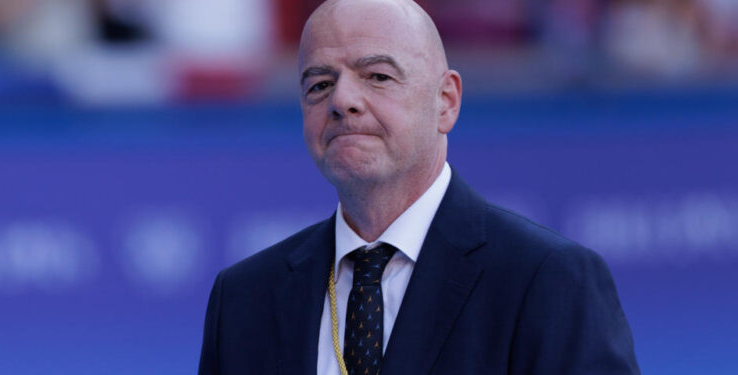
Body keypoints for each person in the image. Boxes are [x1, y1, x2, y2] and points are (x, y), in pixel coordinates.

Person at [198, 0, 640, 374]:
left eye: (378, 76)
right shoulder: (243, 300)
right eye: (319, 84)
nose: (341, 100)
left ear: (445, 102)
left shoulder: (549, 281)